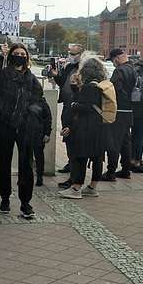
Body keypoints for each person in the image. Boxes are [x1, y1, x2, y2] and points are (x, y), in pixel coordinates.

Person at [0, 40, 44, 219]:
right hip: (5, 126)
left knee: (26, 165)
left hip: (25, 127)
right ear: (11, 57)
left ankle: (26, 202)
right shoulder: (3, 74)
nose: (20, 57)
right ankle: (5, 198)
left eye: (23, 55)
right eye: (17, 54)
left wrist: (32, 112)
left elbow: (38, 98)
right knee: (4, 163)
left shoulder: (31, 78)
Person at [58, 57, 108, 199]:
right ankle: (92, 187)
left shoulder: (88, 87)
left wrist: (74, 105)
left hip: (85, 128)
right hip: (99, 127)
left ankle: (76, 188)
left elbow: (85, 108)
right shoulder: (100, 85)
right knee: (97, 157)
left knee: (80, 157)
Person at [50, 44, 84, 186]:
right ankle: (71, 163)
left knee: (75, 137)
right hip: (66, 106)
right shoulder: (69, 67)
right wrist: (55, 75)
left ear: (81, 54)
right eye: (70, 53)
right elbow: (62, 82)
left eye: (74, 53)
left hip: (77, 107)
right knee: (67, 136)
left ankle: (75, 175)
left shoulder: (84, 68)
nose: (71, 55)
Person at [101, 48, 137, 181]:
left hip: (119, 110)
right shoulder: (134, 69)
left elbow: (114, 91)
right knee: (126, 142)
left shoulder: (120, 71)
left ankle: (111, 172)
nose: (113, 63)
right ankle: (126, 170)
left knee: (114, 142)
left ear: (116, 58)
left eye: (113, 60)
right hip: (130, 111)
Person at [25, 100, 53, 186]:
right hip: (37, 134)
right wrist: (47, 133)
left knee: (32, 156)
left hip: (31, 134)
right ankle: (38, 177)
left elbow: (48, 119)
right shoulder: (43, 104)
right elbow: (48, 120)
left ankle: (35, 177)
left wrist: (47, 133)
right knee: (38, 157)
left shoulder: (27, 101)